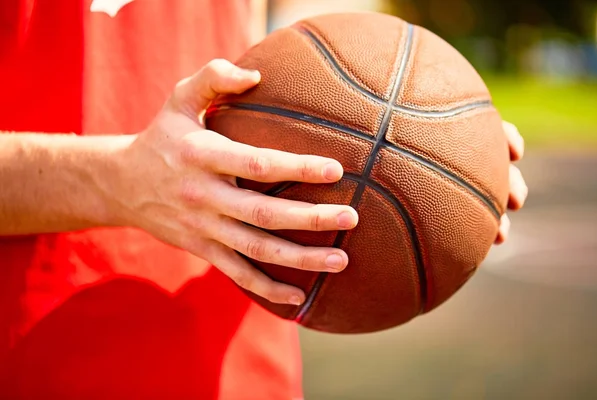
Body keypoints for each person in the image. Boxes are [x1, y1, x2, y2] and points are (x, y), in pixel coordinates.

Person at [0, 0, 529, 398]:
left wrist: (449, 144)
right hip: (38, 356)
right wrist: (116, 179)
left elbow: (269, 50)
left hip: (239, 364)